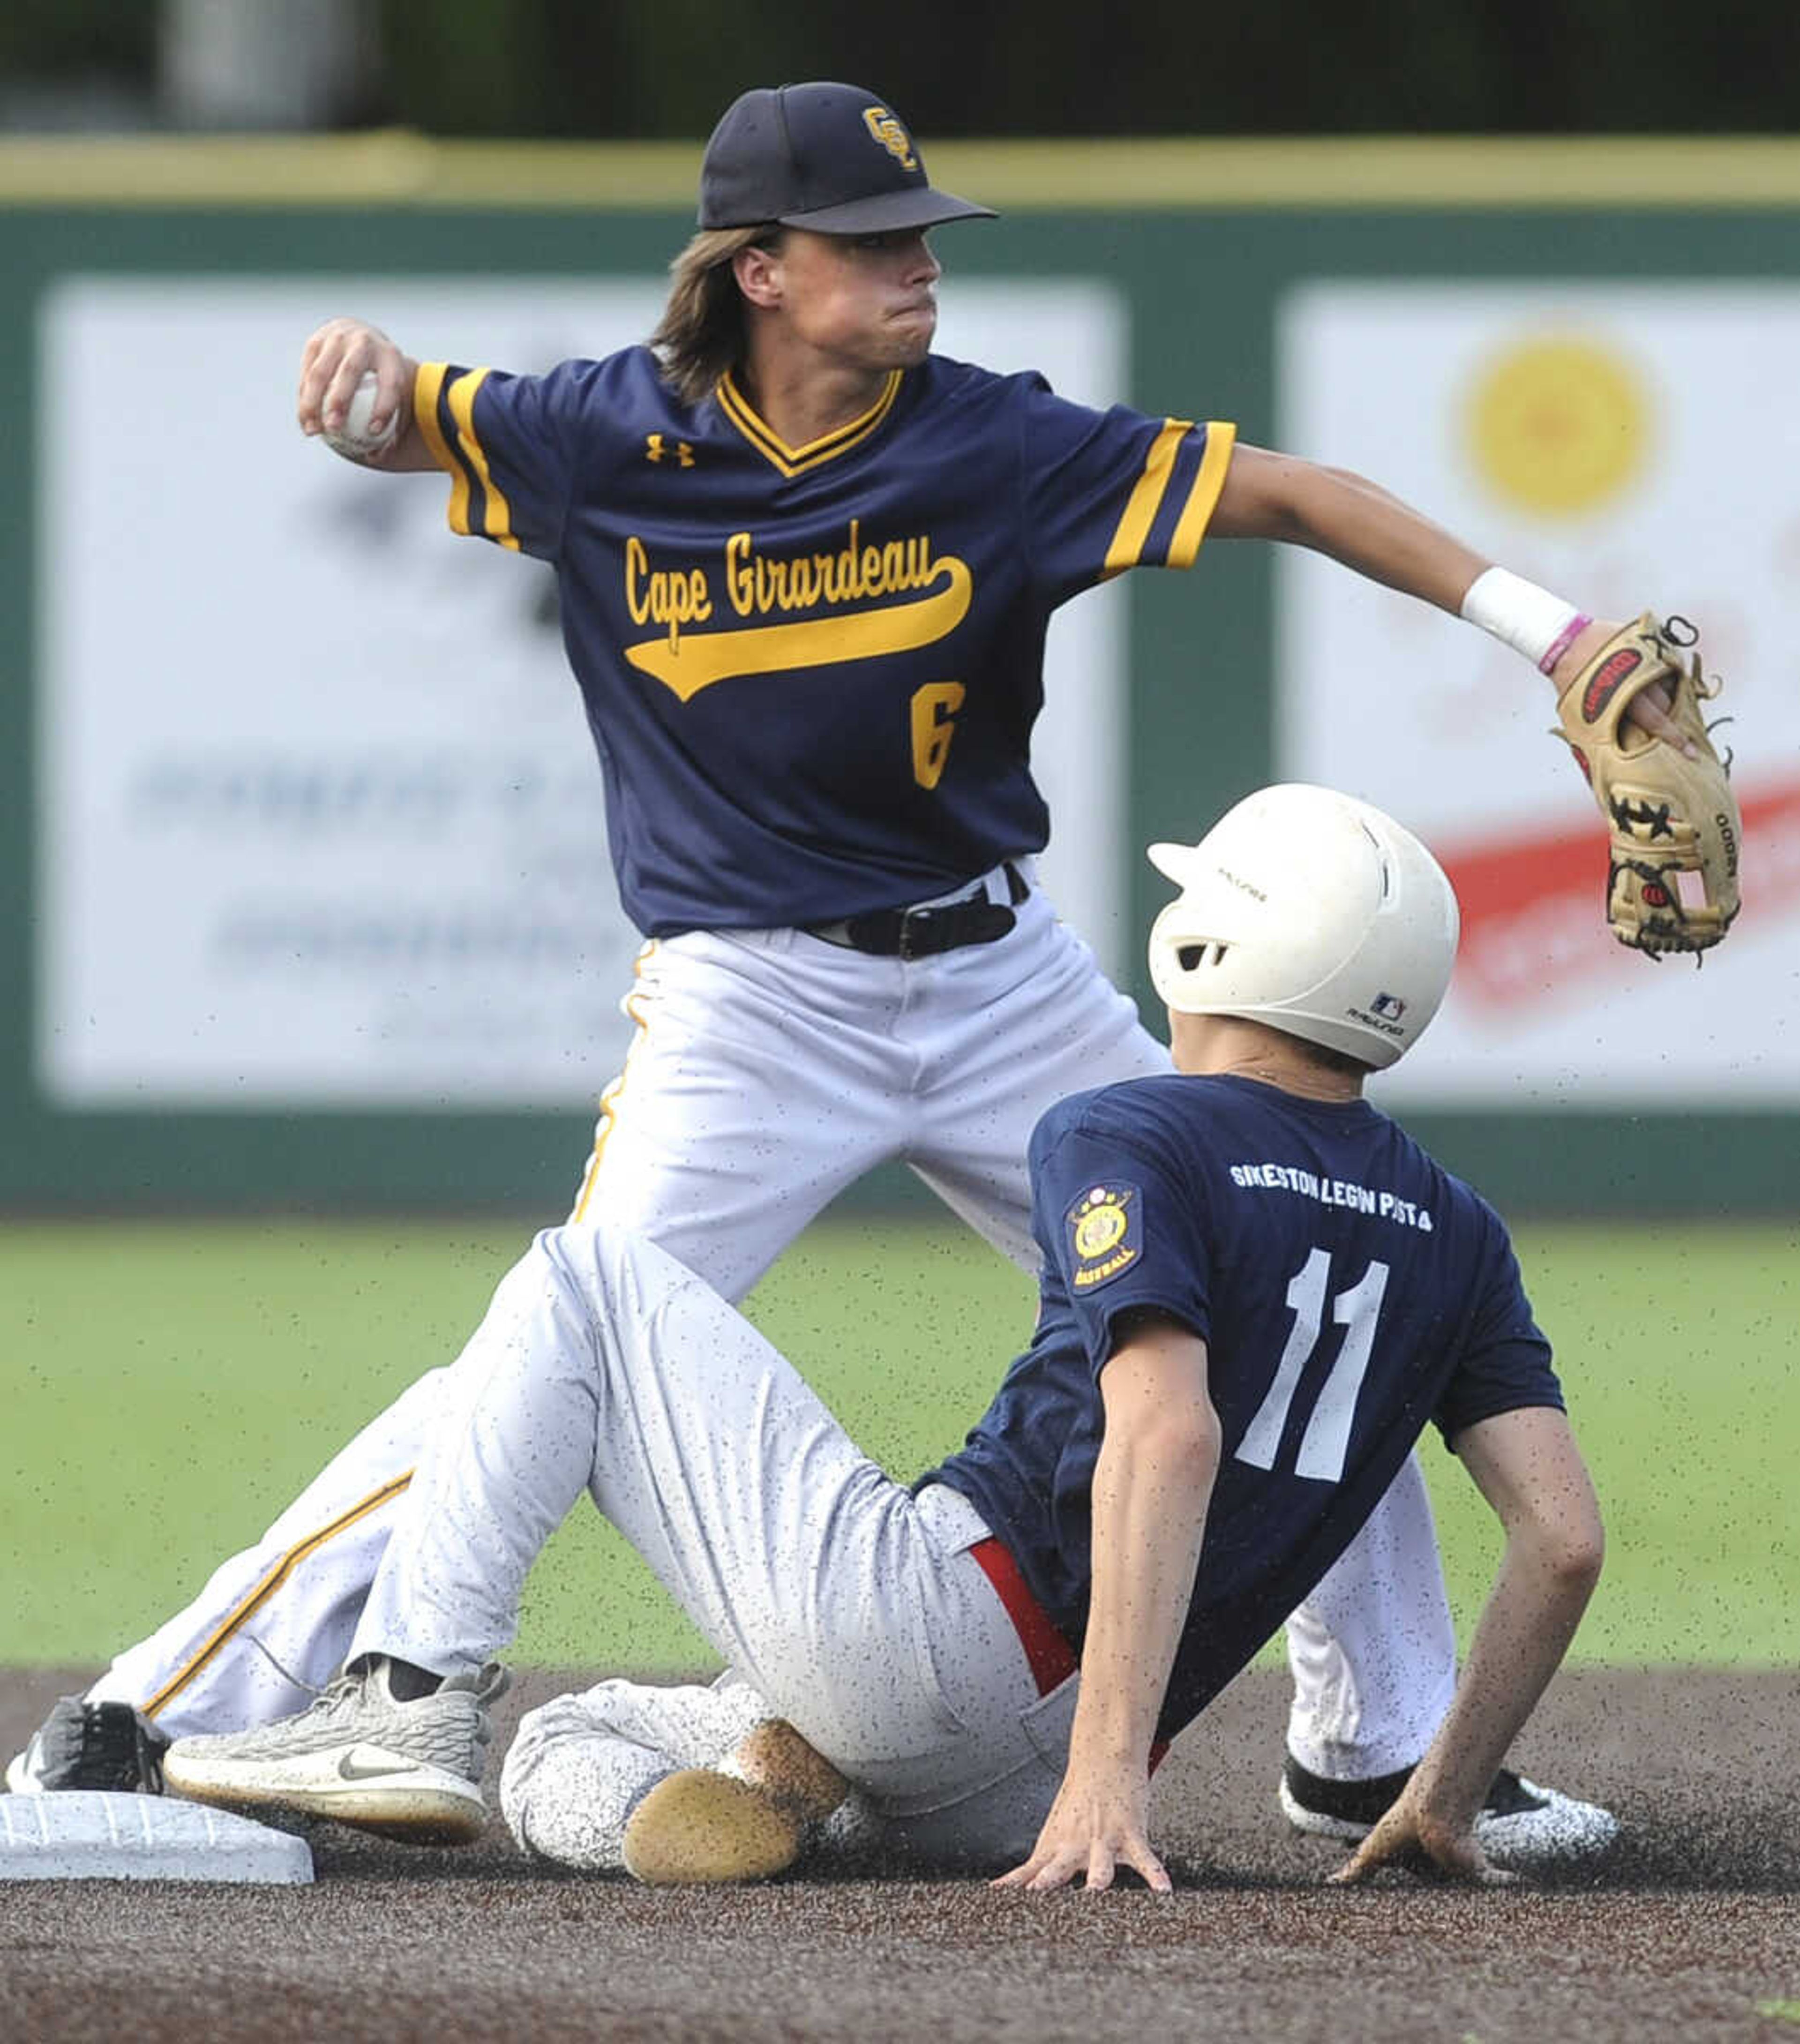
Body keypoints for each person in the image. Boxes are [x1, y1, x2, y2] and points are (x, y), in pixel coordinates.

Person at [8, 81, 1646, 1856]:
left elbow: (1301, 495)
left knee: (1280, 1244)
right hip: (751, 1004)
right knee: (535, 1356)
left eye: (921, 231)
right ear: (758, 272)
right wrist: (357, 379)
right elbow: (406, 418)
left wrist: (1548, 633)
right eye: (870, 242)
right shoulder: (601, 435)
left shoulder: (998, 448)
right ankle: (156, 1717)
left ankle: (1375, 1740)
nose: (915, 264)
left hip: (997, 970)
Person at [150, 786, 1610, 1892]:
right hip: (1027, 1763)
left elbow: (1168, 1433)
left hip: (960, 1651)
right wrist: (1448, 1788)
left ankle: (407, 1697)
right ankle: (766, 1787)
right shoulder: (1457, 1225)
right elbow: (1562, 1541)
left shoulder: (1129, 1123)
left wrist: (1108, 1795)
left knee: (584, 1277)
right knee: (578, 1732)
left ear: (1209, 940)